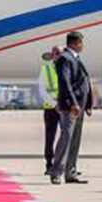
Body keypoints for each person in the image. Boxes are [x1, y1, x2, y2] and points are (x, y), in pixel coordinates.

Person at [48, 32, 92, 185]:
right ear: (76, 43)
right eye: (81, 42)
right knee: (66, 137)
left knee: (74, 140)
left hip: (79, 106)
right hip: (71, 106)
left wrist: (87, 104)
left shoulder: (75, 58)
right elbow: (65, 83)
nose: (82, 46)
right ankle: (56, 171)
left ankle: (70, 172)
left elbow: (83, 81)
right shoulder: (65, 59)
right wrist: (73, 103)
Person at [38, 47, 62, 175]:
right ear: (52, 55)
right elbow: (42, 90)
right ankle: (49, 164)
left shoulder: (68, 68)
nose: (58, 55)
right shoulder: (46, 69)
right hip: (50, 109)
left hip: (65, 108)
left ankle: (63, 164)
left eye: (60, 53)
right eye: (56, 53)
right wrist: (54, 104)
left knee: (66, 137)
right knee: (50, 138)